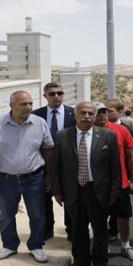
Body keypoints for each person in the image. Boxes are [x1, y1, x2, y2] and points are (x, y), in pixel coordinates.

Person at [0, 91, 54, 262]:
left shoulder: (39, 123)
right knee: (6, 214)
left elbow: (48, 151)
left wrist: (49, 176)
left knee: (37, 214)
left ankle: (36, 246)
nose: (28, 107)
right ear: (12, 106)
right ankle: (9, 245)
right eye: (23, 104)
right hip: (7, 180)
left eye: (30, 103)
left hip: (34, 178)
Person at [52, 101, 122, 266]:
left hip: (97, 191)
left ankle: (100, 262)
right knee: (77, 228)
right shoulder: (62, 136)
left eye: (91, 113)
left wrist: (114, 193)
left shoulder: (108, 136)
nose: (87, 116)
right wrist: (58, 192)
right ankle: (81, 260)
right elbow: (56, 167)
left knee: (100, 228)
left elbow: (115, 167)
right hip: (73, 190)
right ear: (75, 115)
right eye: (83, 113)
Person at [99, 100, 133, 261]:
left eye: (105, 111)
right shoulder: (86, 132)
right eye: (99, 112)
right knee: (98, 217)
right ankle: (101, 248)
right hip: (95, 185)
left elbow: (131, 157)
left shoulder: (121, 130)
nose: (103, 115)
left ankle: (125, 246)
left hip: (120, 184)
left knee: (123, 216)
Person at [33, 82, 75, 240]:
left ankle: (72, 230)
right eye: (52, 94)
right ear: (45, 96)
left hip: (68, 166)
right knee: (44, 200)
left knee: (69, 198)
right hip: (43, 165)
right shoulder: (36, 115)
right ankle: (46, 230)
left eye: (60, 93)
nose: (56, 96)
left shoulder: (74, 114)